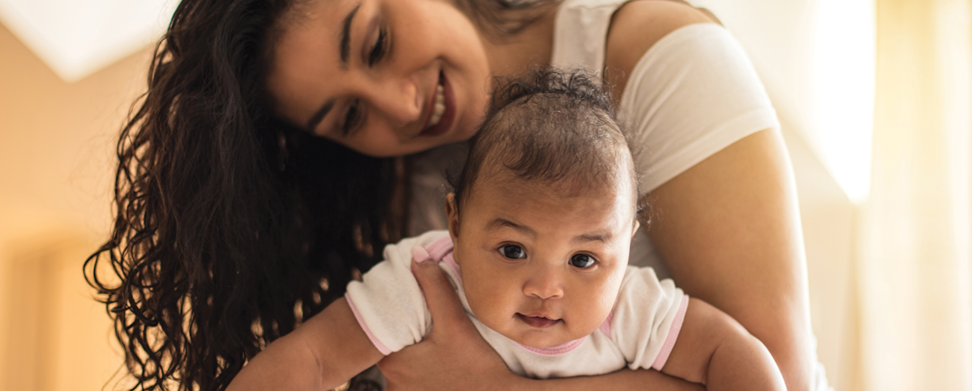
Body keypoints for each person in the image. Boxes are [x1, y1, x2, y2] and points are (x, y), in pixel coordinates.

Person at [85, 0, 827, 390]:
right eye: (349, 116)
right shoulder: (414, 218)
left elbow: (778, 376)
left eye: (374, 42)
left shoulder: (657, 57)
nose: (400, 103)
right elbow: (313, 360)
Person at [226, 70, 786, 391]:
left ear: (626, 243)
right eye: (513, 249)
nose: (546, 287)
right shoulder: (428, 282)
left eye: (584, 259)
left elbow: (734, 355)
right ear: (455, 223)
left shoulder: (630, 308)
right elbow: (314, 358)